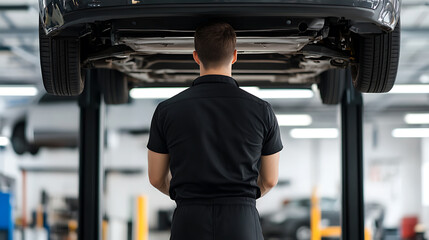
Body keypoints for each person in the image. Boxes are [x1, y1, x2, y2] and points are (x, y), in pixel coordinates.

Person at [147, 22, 283, 240]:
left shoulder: (167, 110)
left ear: (195, 56)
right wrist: (240, 199)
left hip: (189, 219)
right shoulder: (262, 110)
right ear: (235, 56)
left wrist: (187, 196)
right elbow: (269, 180)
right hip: (241, 220)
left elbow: (156, 178)